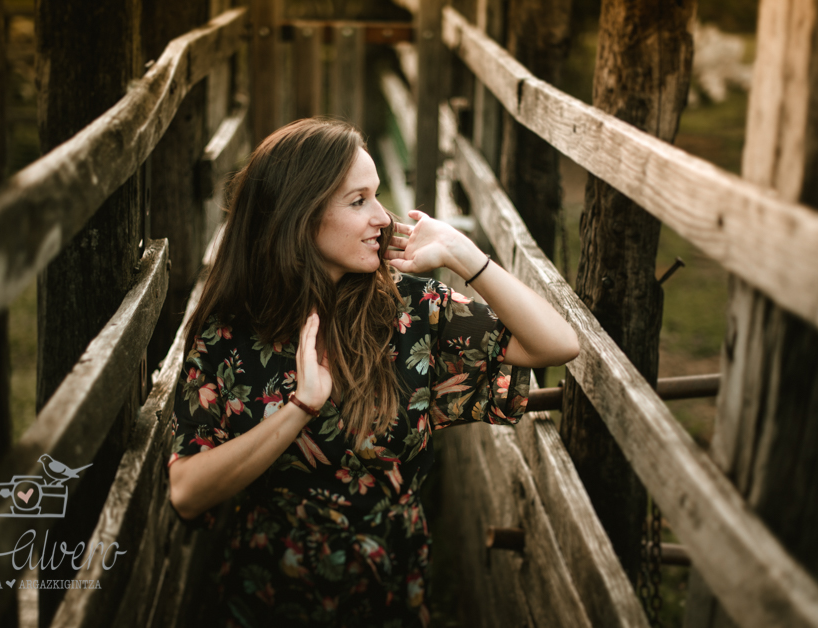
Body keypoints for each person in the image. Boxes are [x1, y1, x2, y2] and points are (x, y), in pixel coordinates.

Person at [167, 118, 579, 627]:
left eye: (377, 197)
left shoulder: (412, 311)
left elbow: (557, 345)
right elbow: (187, 491)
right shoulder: (231, 335)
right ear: (300, 214)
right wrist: (299, 409)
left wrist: (463, 254)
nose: (383, 218)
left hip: (390, 582)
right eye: (358, 200)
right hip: (272, 588)